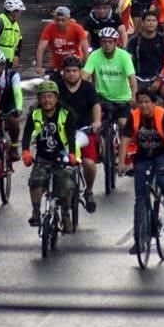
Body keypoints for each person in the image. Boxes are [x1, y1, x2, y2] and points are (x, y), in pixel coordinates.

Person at [119, 88, 164, 254]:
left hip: (162, 155)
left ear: (154, 103)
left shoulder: (162, 115)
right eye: (141, 102)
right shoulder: (134, 116)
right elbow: (124, 140)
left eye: (147, 102)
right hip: (143, 157)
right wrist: (121, 163)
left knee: (163, 180)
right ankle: (139, 240)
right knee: (140, 198)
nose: (144, 105)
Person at [22, 80, 77, 231]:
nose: (47, 100)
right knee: (35, 181)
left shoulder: (66, 113)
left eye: (50, 96)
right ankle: (36, 211)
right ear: (39, 99)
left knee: (66, 185)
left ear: (56, 98)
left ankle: (66, 215)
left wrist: (72, 154)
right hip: (42, 157)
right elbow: (27, 134)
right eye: (43, 97)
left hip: (62, 157)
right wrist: (25, 151)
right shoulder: (35, 114)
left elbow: (71, 135)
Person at [57, 55, 99, 212]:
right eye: (68, 71)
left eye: (74, 71)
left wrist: (96, 122)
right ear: (63, 72)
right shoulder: (57, 87)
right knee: (58, 164)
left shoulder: (88, 87)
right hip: (62, 132)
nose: (71, 74)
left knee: (89, 163)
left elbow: (96, 106)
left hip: (85, 130)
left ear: (80, 71)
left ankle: (88, 190)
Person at [83, 27, 137, 134]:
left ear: (116, 42)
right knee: (95, 125)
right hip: (102, 98)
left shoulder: (124, 56)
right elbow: (84, 76)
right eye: (104, 42)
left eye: (110, 42)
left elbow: (132, 79)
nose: (107, 45)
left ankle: (124, 149)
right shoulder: (94, 55)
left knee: (124, 125)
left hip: (122, 99)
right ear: (100, 42)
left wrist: (133, 97)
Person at [127, 10, 164, 110]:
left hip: (160, 77)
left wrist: (159, 80)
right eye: (148, 20)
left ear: (157, 23)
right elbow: (128, 62)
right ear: (142, 23)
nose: (151, 23)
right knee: (131, 100)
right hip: (139, 78)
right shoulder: (134, 41)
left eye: (154, 20)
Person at [36, 6, 89, 73]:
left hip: (74, 65)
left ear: (68, 19)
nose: (60, 23)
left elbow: (85, 49)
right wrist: (39, 67)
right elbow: (40, 48)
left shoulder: (77, 28)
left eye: (63, 20)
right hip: (56, 66)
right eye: (57, 20)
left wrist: (87, 68)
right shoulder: (49, 28)